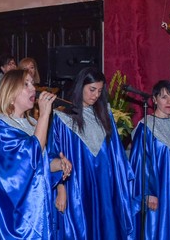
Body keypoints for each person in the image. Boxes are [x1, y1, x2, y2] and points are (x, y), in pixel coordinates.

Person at [0, 69, 68, 239]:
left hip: (31, 206)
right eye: (26, 84)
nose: (33, 88)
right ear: (10, 93)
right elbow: (28, 157)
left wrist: (58, 165)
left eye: (33, 83)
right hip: (9, 212)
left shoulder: (31, 125)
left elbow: (39, 162)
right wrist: (45, 114)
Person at [48, 67, 134, 239]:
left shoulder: (105, 115)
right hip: (77, 185)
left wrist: (121, 185)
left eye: (99, 91)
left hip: (105, 183)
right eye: (92, 89)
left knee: (106, 226)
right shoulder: (63, 118)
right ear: (81, 87)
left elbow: (116, 154)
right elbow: (54, 155)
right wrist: (61, 188)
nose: (95, 95)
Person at [130, 80, 170, 239]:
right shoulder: (145, 126)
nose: (169, 101)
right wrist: (148, 192)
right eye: (164, 97)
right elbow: (140, 161)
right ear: (154, 100)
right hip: (158, 190)